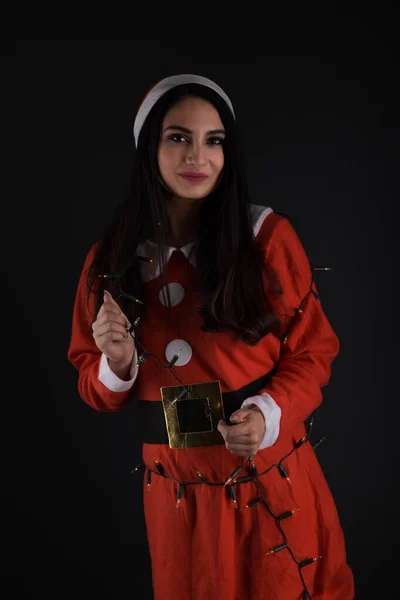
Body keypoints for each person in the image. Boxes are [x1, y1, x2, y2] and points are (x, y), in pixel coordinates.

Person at [67, 73, 354, 599]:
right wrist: (117, 361)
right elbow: (96, 389)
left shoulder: (265, 238)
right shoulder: (109, 260)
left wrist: (268, 413)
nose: (197, 156)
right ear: (149, 146)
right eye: (178, 137)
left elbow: (314, 352)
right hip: (176, 497)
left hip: (269, 475)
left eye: (213, 140)